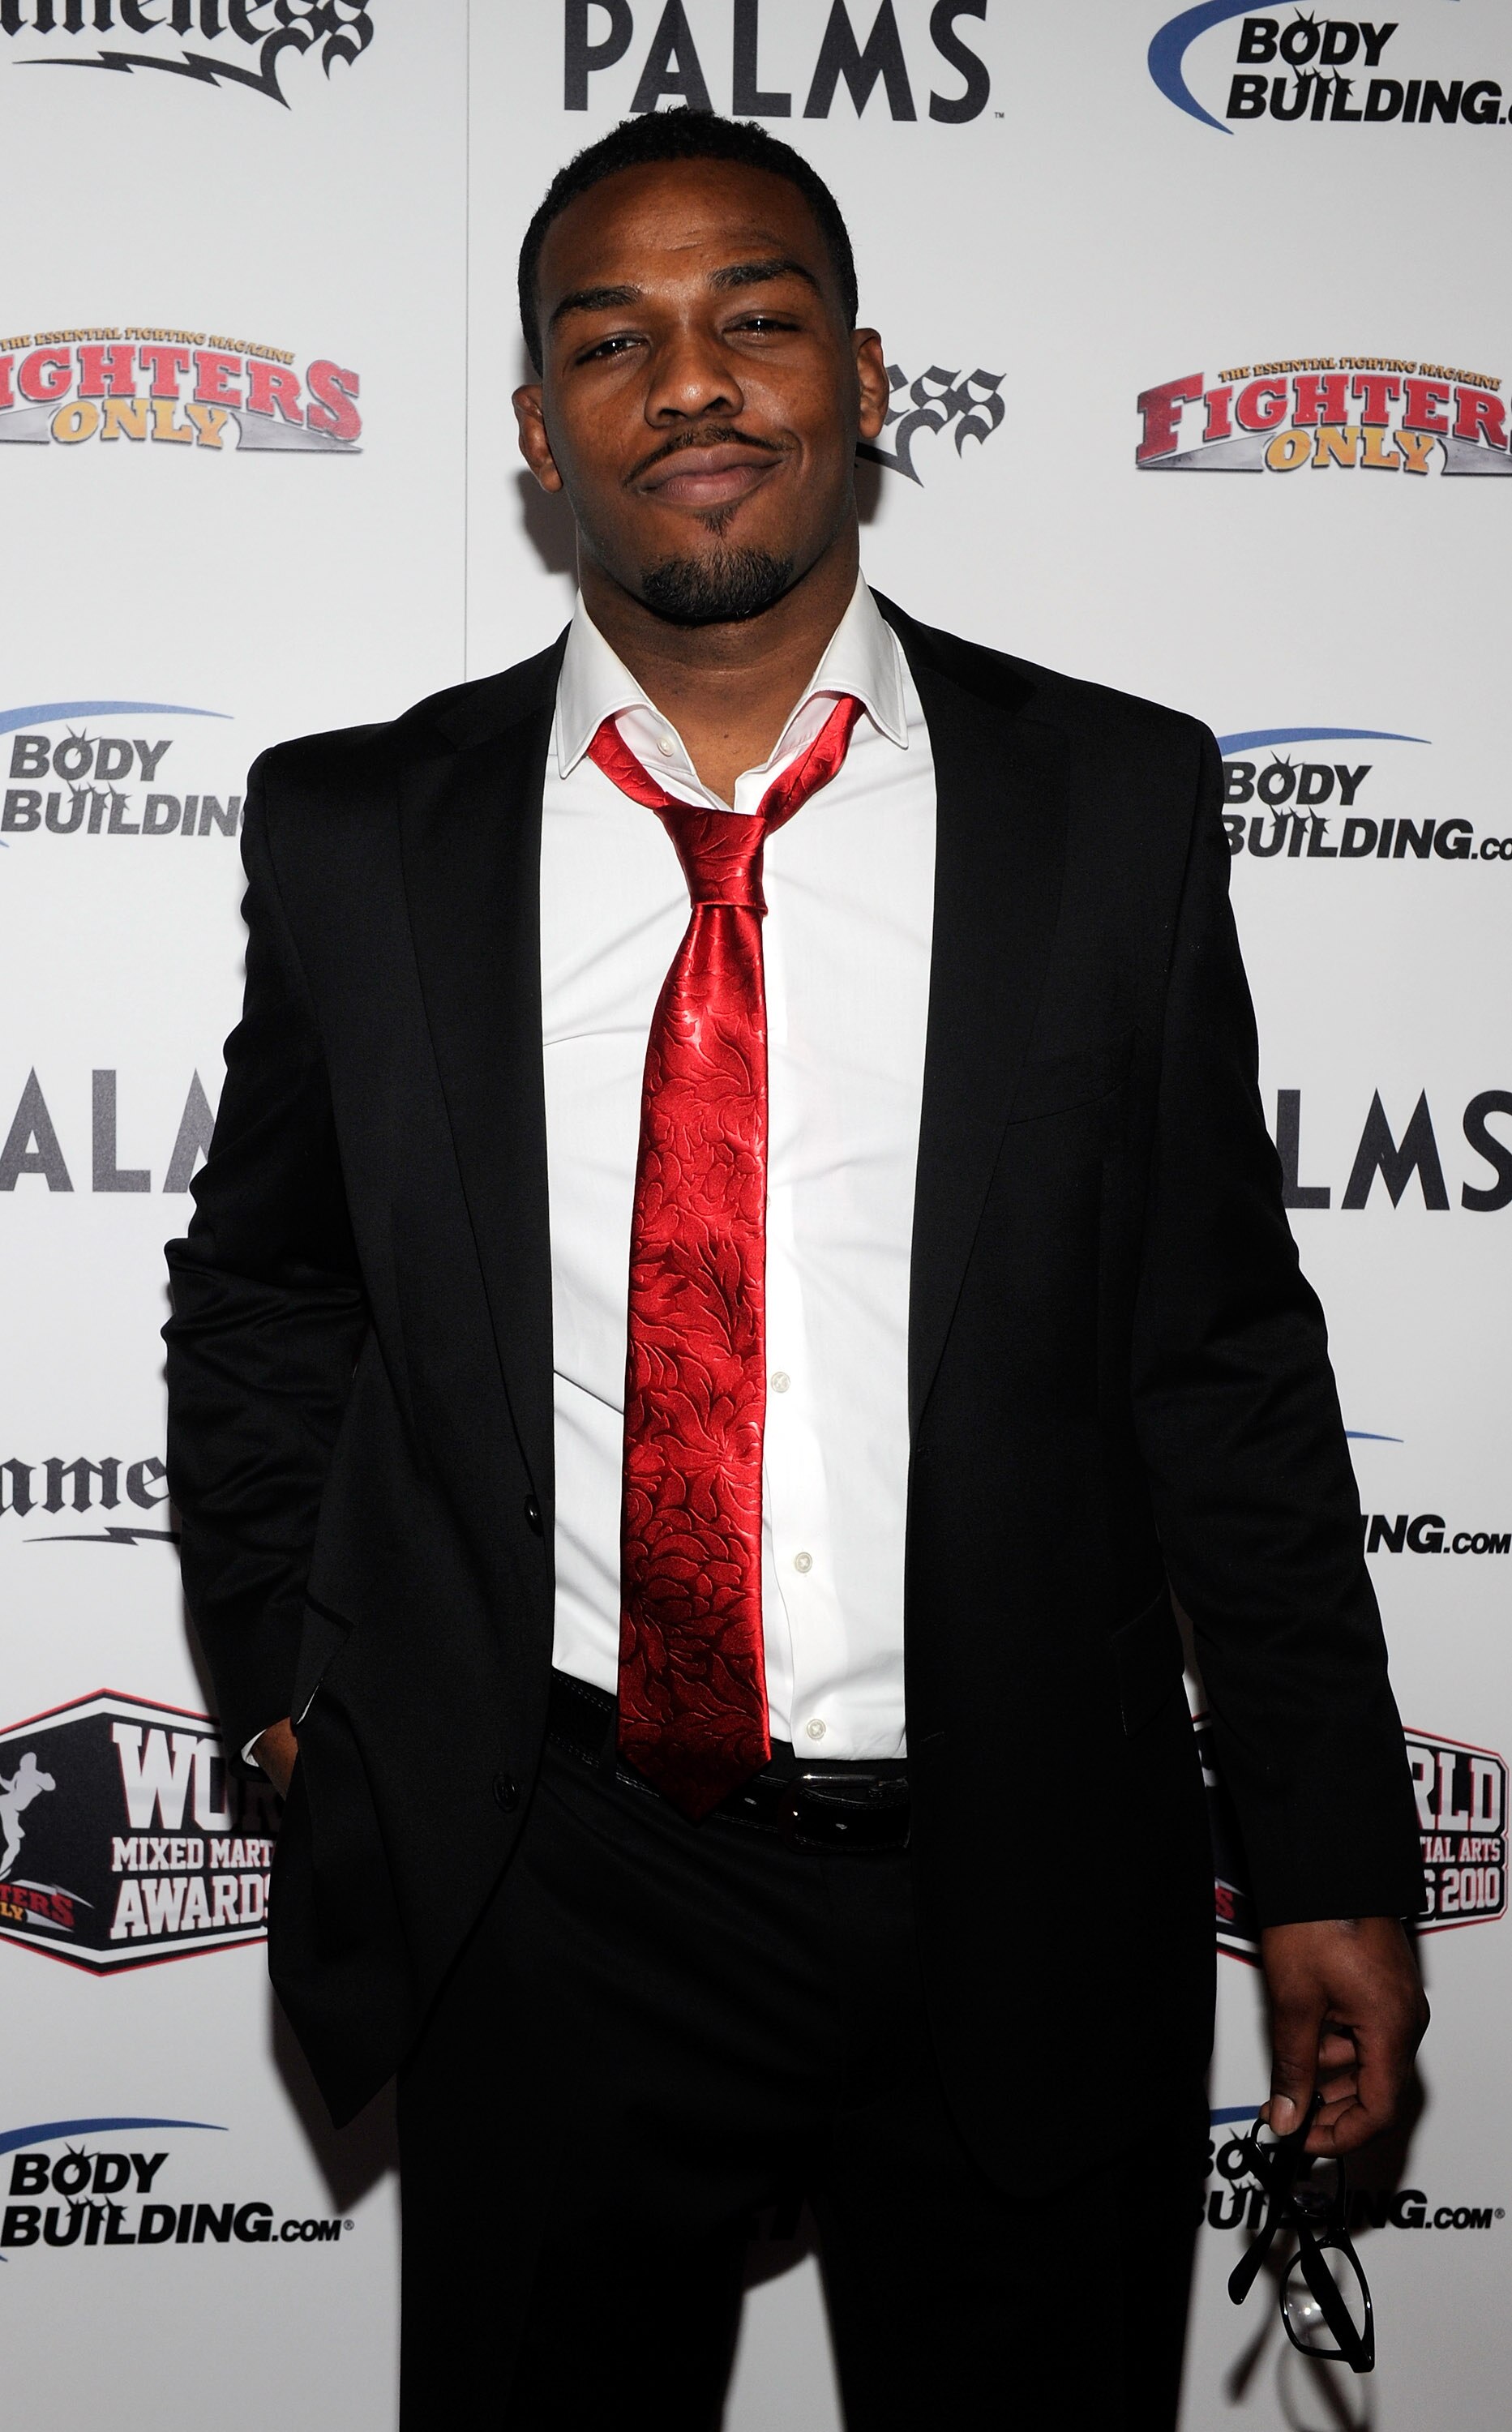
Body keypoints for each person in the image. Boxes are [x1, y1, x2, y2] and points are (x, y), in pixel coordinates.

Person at [164, 109, 1427, 2432]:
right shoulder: (359, 830)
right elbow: (264, 1298)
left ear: (863, 377)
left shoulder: (1110, 804)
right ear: (539, 433)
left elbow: (1220, 1367)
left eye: (751, 316)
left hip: (1027, 1871)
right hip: (549, 1888)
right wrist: (292, 1695)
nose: (693, 381)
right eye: (610, 340)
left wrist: (1329, 1849)